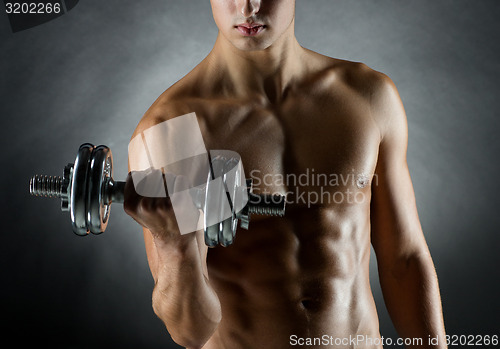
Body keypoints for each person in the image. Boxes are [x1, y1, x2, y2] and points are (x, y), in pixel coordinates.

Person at [124, 1, 447, 348]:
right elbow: (190, 331)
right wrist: (173, 245)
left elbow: (404, 261)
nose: (248, 6)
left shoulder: (366, 97)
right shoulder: (170, 131)